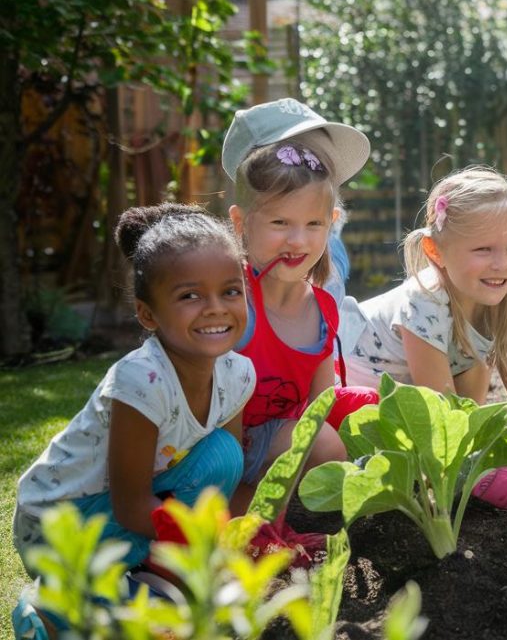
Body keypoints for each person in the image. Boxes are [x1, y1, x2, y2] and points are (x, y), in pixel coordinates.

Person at [12, 205, 254, 638]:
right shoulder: (141, 381)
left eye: (231, 291)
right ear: (147, 314)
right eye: (189, 296)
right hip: (59, 523)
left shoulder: (238, 375)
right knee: (151, 625)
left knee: (225, 454)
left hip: (128, 514)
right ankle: (46, 610)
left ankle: (142, 575)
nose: (216, 308)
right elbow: (131, 504)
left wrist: (232, 542)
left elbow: (223, 481)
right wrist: (201, 545)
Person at [341, 166, 507, 511]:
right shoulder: (425, 301)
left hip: (415, 398)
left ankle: (458, 470)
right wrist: (494, 472)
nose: (501, 264)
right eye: (483, 250)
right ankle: (466, 474)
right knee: (440, 426)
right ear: (436, 251)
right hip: (359, 404)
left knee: (476, 362)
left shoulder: (500, 302)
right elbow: (438, 406)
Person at [220, 98, 376, 530]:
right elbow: (220, 403)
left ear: (332, 221)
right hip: (216, 441)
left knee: (333, 433)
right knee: (296, 445)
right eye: (280, 223)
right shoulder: (233, 301)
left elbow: (321, 405)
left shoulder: (323, 306)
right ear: (241, 222)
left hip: (275, 436)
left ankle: (292, 521)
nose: (298, 240)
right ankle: (248, 525)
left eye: (313, 225)